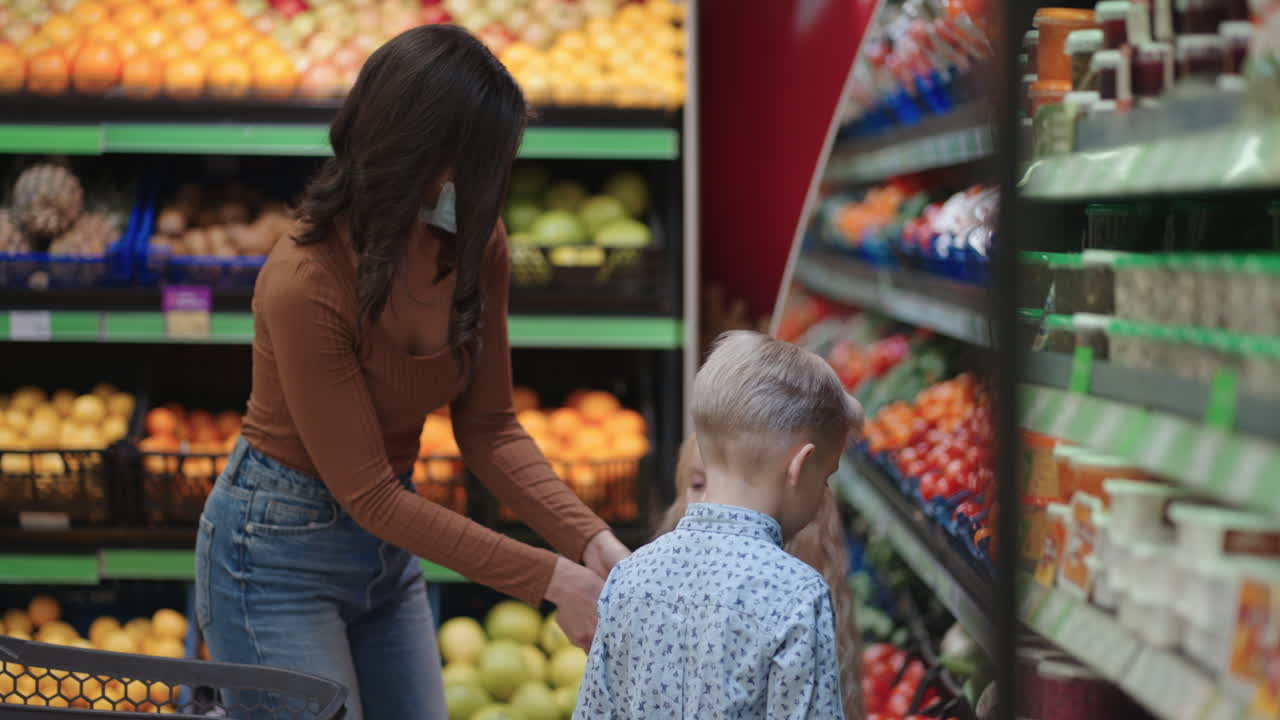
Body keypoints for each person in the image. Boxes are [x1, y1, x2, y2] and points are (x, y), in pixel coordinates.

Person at [194, 25, 629, 720]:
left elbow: (489, 427)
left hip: (388, 552)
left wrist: (592, 540)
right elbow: (367, 493)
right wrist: (550, 579)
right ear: (433, 165)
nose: (500, 182)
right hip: (271, 556)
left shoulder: (474, 242)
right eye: (490, 163)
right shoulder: (304, 282)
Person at [575, 330, 863, 719]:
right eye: (825, 479)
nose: (823, 494)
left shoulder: (629, 577)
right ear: (800, 466)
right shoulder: (797, 593)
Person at [655, 435, 866, 720]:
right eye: (698, 485)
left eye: (738, 489)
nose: (712, 503)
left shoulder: (804, 601)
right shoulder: (656, 596)